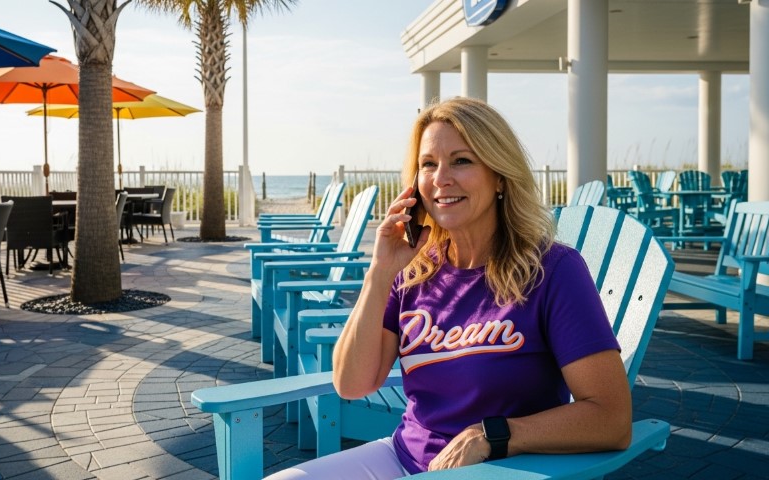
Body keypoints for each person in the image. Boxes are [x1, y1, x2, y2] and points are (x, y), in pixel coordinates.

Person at [266, 97, 631, 479]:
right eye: (428, 164)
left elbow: (611, 418)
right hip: (403, 457)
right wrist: (379, 272)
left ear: (500, 176)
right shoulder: (413, 271)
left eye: (461, 160)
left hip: (504, 468)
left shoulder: (552, 271)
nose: (441, 178)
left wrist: (492, 434)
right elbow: (352, 384)